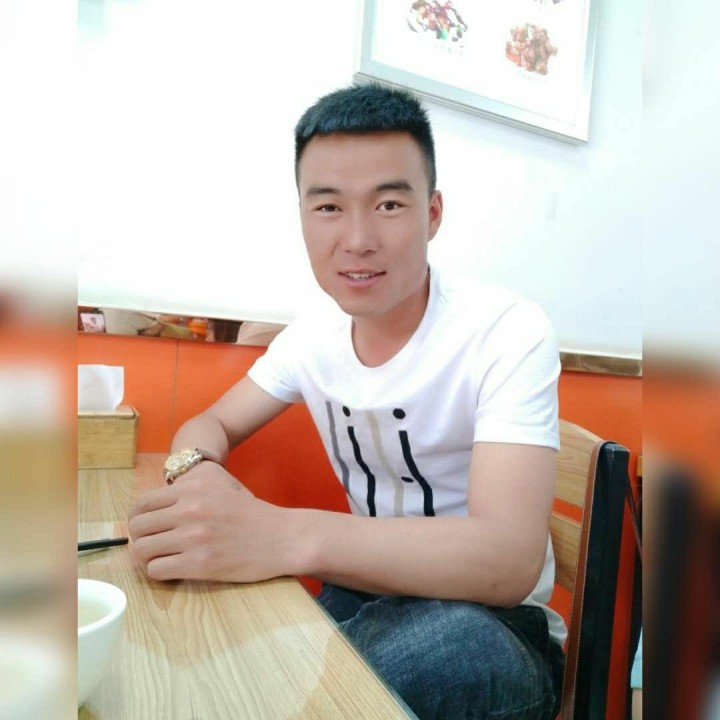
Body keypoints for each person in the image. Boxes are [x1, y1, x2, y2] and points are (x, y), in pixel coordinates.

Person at [128, 83, 565, 719]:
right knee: (226, 654)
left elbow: (508, 561)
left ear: (432, 213)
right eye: (329, 206)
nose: (358, 239)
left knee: (422, 656)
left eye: (388, 204)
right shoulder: (313, 337)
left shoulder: (506, 330)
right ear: (304, 217)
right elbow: (213, 422)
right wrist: (196, 478)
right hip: (364, 593)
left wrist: (283, 534)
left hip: (493, 623)